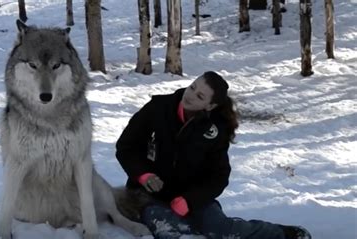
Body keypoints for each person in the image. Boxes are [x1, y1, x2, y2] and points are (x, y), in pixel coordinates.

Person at [115, 71, 311, 239]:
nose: (190, 95)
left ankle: (282, 234)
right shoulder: (157, 108)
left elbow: (219, 176)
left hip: (192, 197)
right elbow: (126, 147)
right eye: (192, 87)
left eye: (200, 96)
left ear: (209, 106)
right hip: (148, 196)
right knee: (170, 232)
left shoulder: (216, 129)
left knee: (220, 230)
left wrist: (190, 200)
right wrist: (143, 175)